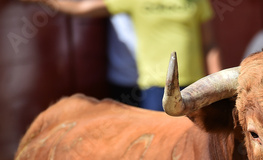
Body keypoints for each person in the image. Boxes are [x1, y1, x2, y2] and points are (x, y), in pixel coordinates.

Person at [22, 0, 222, 111]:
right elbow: (82, 8)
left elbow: (210, 44)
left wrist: (217, 86)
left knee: (198, 148)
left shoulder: (196, 1)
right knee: (159, 148)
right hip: (154, 89)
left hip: (196, 87)